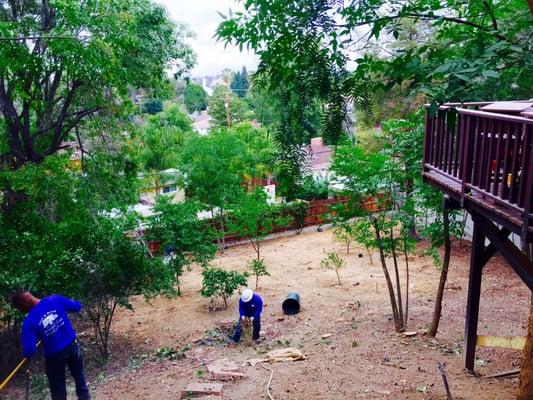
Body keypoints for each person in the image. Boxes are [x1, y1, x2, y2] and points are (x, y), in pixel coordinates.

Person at [11, 291, 91, 400]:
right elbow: (77, 306)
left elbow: (30, 350)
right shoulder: (55, 299)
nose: (21, 311)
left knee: (58, 390)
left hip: (54, 357)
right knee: (79, 377)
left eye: (20, 309)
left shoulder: (29, 321)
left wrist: (27, 354)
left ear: (24, 305)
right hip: (72, 346)